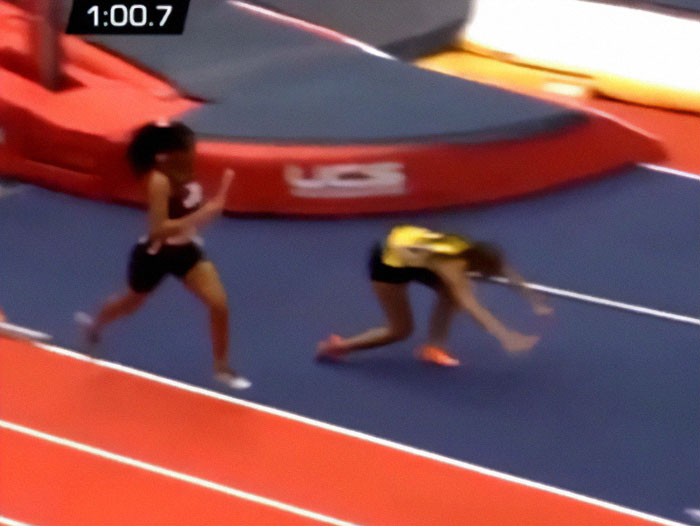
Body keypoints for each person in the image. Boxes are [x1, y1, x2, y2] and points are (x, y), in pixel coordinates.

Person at [77, 121, 250, 389]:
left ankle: (222, 368)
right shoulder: (158, 181)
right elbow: (158, 230)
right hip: (154, 255)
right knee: (132, 302)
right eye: (188, 149)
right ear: (169, 154)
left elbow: (187, 211)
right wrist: (205, 214)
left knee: (219, 304)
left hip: (186, 252)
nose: (194, 153)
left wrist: (205, 213)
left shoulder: (186, 173)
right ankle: (95, 326)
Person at [317, 224, 552, 366]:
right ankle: (338, 346)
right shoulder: (452, 266)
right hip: (388, 262)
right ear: (476, 266)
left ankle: (433, 348)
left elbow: (506, 270)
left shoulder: (471, 248)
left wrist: (535, 300)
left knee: (450, 294)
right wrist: (506, 336)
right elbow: (471, 305)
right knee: (400, 331)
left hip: (414, 254)